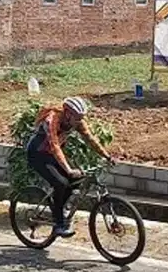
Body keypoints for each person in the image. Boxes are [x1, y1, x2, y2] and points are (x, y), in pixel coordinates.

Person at [26, 96, 112, 238]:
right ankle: (59, 224)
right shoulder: (52, 120)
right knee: (61, 183)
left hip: (52, 155)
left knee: (76, 180)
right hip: (38, 154)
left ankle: (59, 208)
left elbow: (90, 139)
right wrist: (68, 169)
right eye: (77, 117)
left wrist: (106, 155)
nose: (79, 120)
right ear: (67, 113)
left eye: (81, 117)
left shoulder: (76, 122)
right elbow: (54, 146)